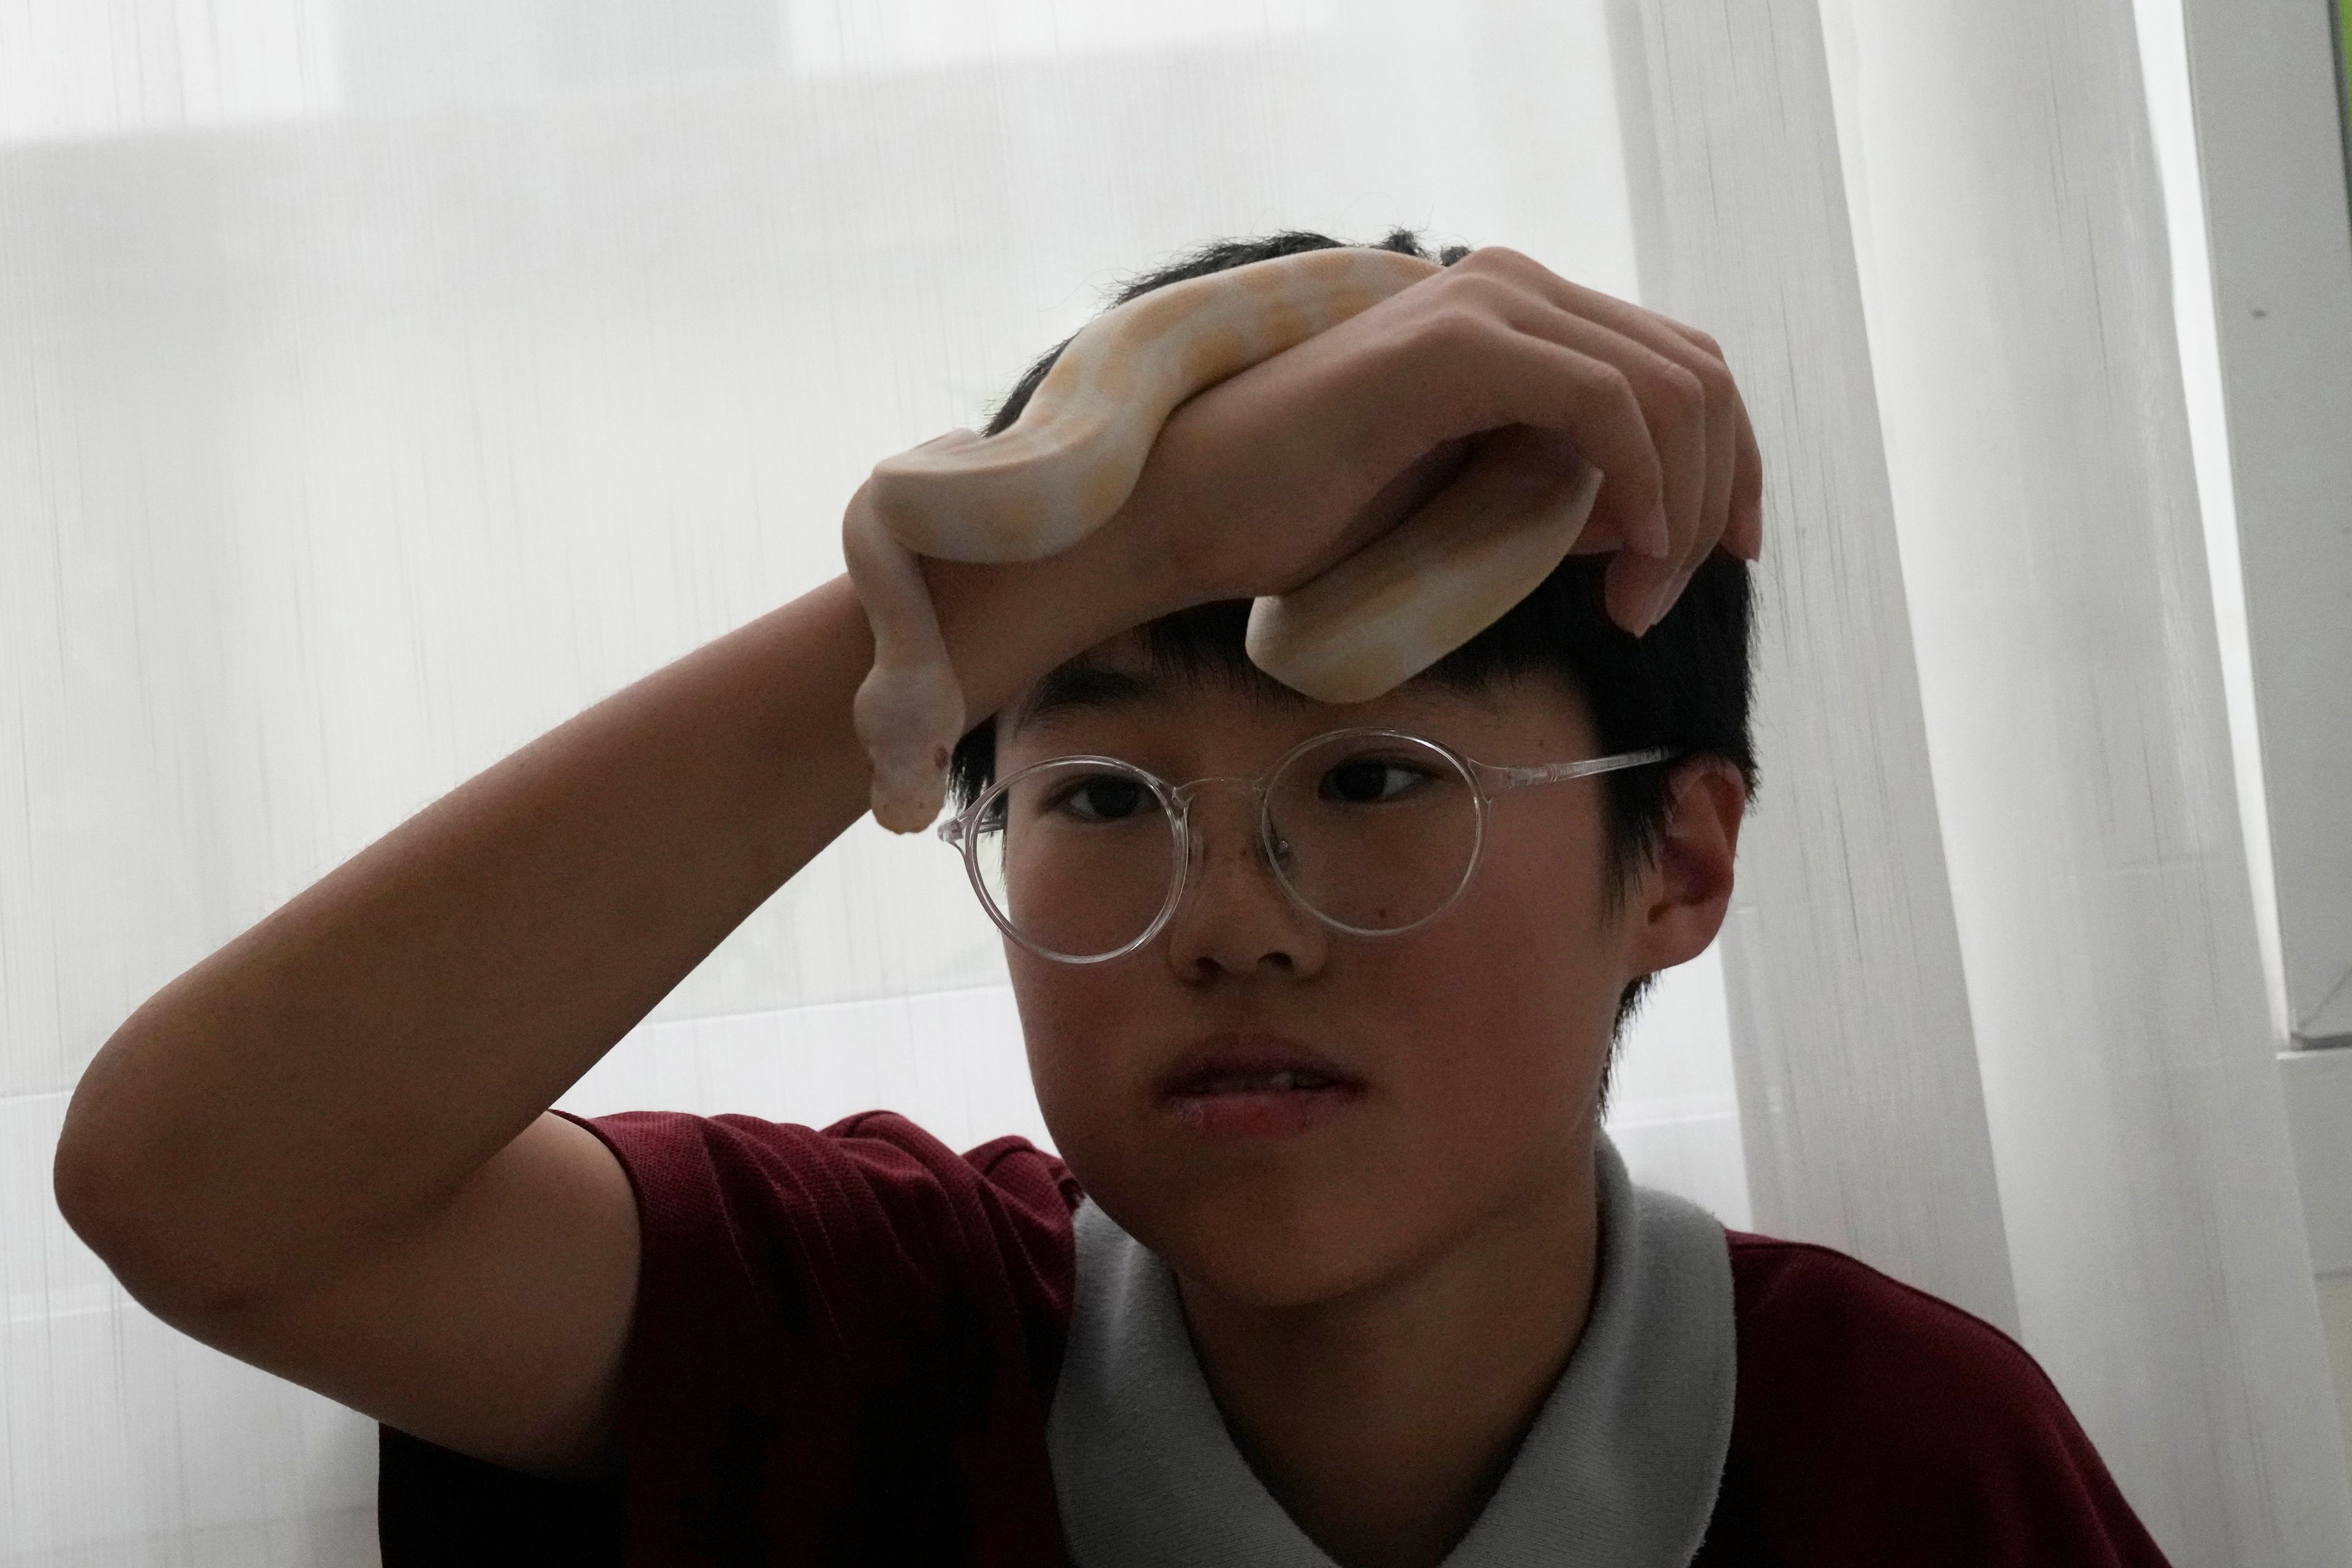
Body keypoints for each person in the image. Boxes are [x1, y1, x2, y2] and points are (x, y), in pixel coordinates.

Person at [52, 229, 2171, 1566]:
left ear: (1681, 859)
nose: (1230, 921)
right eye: (1099, 797)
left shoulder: (1907, 1463)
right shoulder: (882, 1347)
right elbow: (204, 1184)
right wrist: (1066, 566)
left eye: (1371, 781)